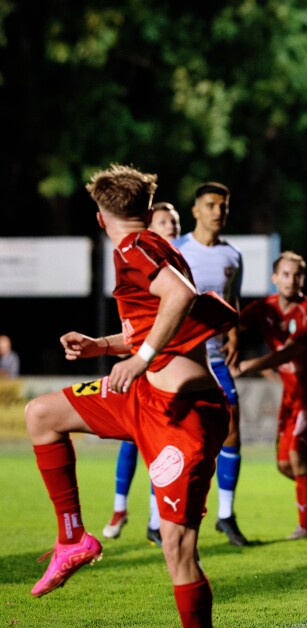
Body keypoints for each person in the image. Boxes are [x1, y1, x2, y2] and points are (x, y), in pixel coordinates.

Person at [24, 164, 235, 626]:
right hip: (142, 396)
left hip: (183, 413)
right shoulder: (156, 246)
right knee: (41, 414)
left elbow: (178, 297)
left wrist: (141, 359)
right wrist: (104, 346)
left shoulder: (135, 247)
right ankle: (73, 538)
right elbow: (156, 319)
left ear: (101, 218)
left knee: (179, 551)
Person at [232, 251, 307, 540]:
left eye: (297, 275)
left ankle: (304, 528)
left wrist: (248, 364)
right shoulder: (265, 307)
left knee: (297, 457)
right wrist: (229, 335)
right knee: (285, 465)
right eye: (285, 274)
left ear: (303, 279)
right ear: (274, 278)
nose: (291, 280)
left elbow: (289, 351)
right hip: (292, 392)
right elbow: (232, 321)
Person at [103, 200, 183, 547]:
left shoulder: (168, 260)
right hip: (144, 364)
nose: (172, 226)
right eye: (165, 220)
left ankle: (157, 517)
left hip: (168, 369)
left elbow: (183, 299)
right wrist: (102, 346)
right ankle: (121, 509)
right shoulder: (137, 255)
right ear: (150, 222)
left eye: (175, 222)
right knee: (133, 439)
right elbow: (137, 329)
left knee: (161, 443)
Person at [173, 182, 248, 546]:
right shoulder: (176, 250)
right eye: (211, 205)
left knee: (232, 430)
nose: (218, 211)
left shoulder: (233, 256)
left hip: (216, 359)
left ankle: (225, 515)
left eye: (223, 205)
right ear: (195, 210)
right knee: (177, 437)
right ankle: (160, 519)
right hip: (179, 359)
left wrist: (234, 332)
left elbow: (232, 302)